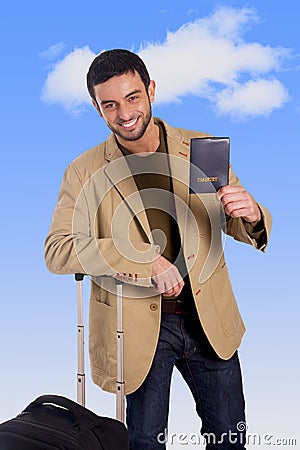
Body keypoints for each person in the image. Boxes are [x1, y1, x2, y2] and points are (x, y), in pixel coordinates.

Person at [45, 49, 272, 449]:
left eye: (133, 97)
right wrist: (142, 258)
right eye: (110, 104)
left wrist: (252, 214)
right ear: (97, 109)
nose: (125, 113)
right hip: (136, 327)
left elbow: (233, 220)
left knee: (230, 438)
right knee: (146, 443)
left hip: (209, 319)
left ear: (151, 89)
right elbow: (59, 249)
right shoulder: (84, 170)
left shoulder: (202, 148)